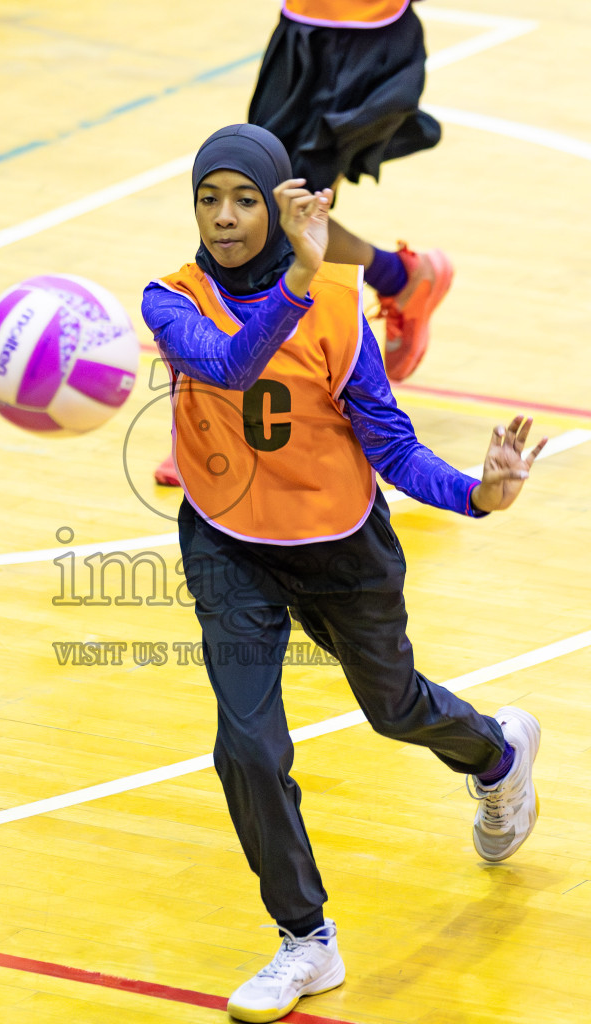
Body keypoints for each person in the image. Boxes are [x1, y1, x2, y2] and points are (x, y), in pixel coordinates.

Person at [143, 123, 545, 1022]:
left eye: (246, 198)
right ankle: (305, 940)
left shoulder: (334, 304)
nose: (224, 216)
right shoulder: (171, 300)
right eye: (209, 198)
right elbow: (229, 365)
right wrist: (294, 280)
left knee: (394, 708)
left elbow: (390, 442)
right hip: (228, 543)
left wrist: (477, 495)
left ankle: (497, 752)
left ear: (286, 204)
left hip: (337, 545)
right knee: (245, 746)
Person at [154, 0, 452, 487]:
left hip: (369, 36)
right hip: (302, 31)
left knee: (272, 213)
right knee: (271, 208)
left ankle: (218, 419)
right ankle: (400, 277)